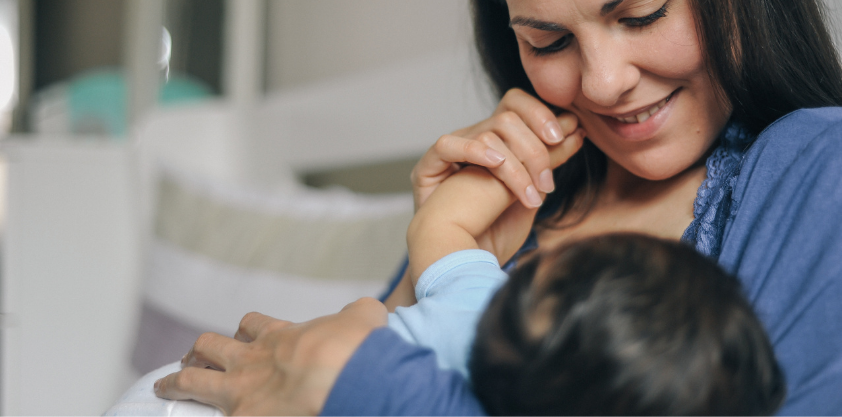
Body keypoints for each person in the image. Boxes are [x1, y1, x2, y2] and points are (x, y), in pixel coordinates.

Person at [155, 0, 842, 414]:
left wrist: (367, 391)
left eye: (640, 14)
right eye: (548, 39)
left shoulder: (822, 169)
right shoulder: (508, 208)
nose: (603, 84)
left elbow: (341, 381)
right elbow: (339, 368)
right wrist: (436, 247)